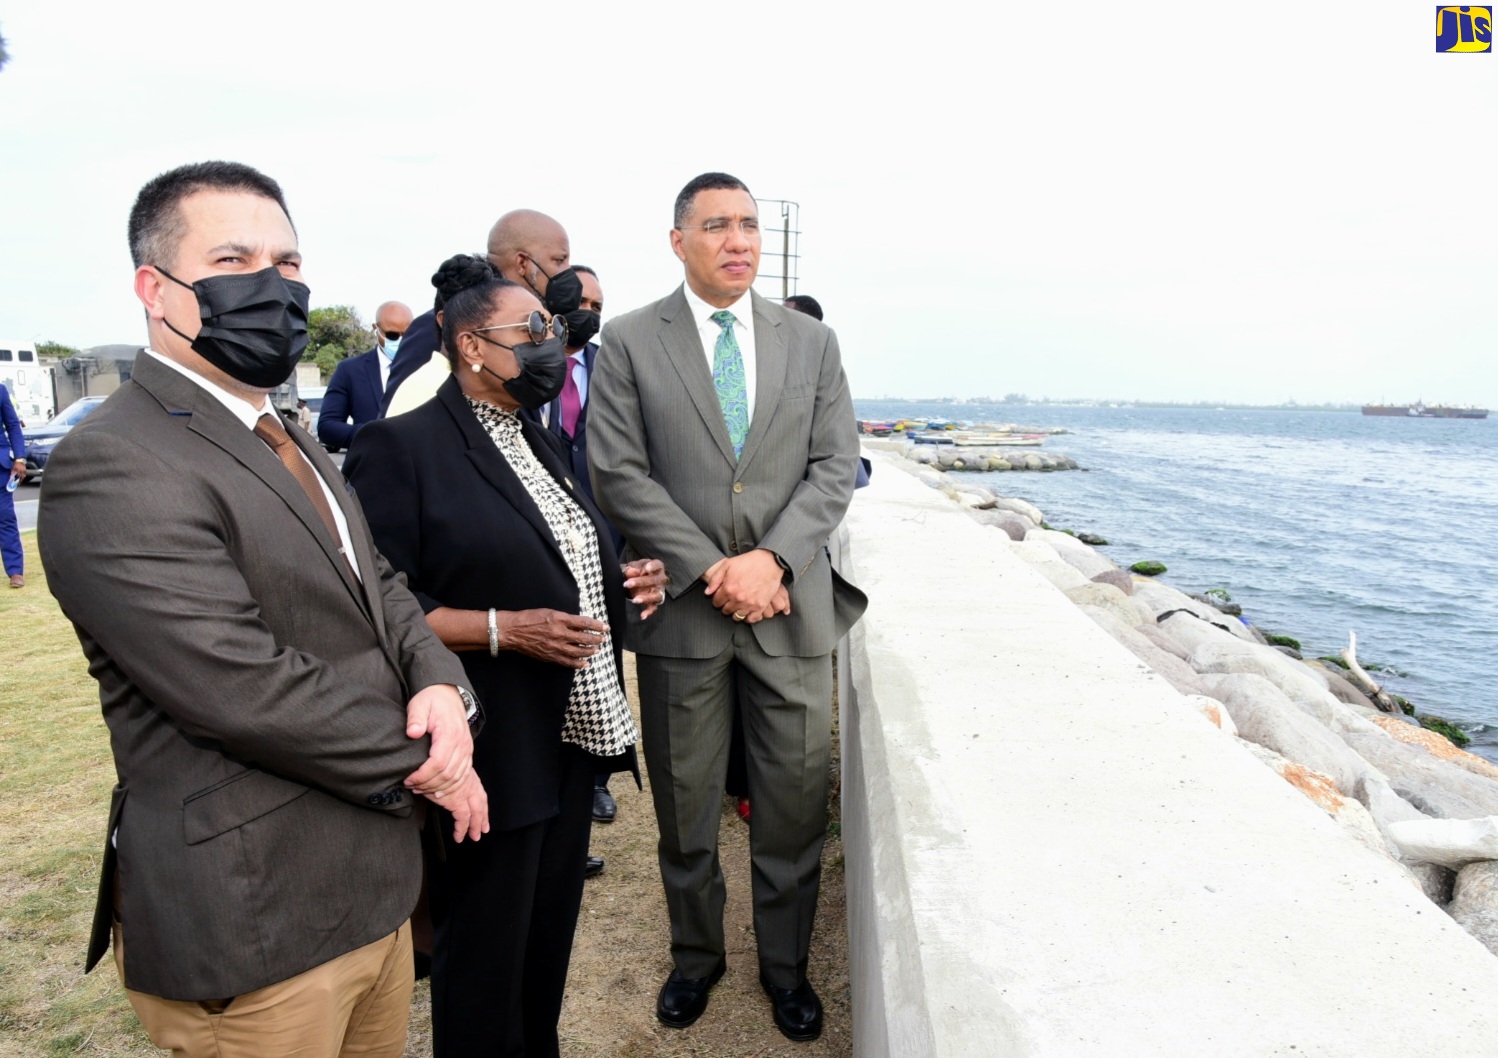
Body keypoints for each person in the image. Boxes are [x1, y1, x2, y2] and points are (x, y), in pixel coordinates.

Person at [36, 161, 488, 1058]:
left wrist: (441, 684)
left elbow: (381, 588)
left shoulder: (287, 434)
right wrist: (433, 761)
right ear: (154, 288)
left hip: (372, 898)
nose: (272, 286)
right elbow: (237, 685)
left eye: (287, 264)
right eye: (235, 259)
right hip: (258, 920)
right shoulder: (116, 461)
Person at [344, 256, 667, 1058]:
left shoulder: (540, 437)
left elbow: (563, 562)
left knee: (544, 945)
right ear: (470, 346)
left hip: (568, 739)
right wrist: (501, 628)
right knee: (483, 957)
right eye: (532, 331)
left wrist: (627, 582)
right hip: (487, 747)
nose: (550, 344)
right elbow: (378, 605)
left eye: (553, 330)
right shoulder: (399, 448)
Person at [587, 172, 866, 1043]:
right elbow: (619, 472)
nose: (738, 240)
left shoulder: (811, 342)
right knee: (686, 806)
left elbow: (834, 464)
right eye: (717, 226)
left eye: (748, 224)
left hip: (790, 610)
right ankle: (695, 957)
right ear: (679, 241)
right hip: (685, 617)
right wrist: (719, 569)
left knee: (789, 805)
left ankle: (786, 969)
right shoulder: (632, 342)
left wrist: (774, 558)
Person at [530, 264, 623, 837]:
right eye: (583, 301)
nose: (592, 312)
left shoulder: (610, 364)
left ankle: (596, 780)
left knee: (601, 653)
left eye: (600, 303)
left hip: (601, 531)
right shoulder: (527, 358)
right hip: (536, 531)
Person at [381, 210, 582, 415]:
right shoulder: (445, 325)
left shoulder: (542, 334)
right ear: (522, 263)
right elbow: (396, 426)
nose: (568, 272)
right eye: (559, 260)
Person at [317, 300, 412, 451]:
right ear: (376, 329)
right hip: (371, 467)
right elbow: (327, 426)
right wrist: (373, 435)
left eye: (407, 335)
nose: (400, 341)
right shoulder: (350, 370)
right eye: (393, 335)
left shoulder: (427, 368)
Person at [1, 381, 26, 587]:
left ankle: (15, 572)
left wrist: (20, 458)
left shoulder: (0, 390)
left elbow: (13, 425)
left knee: (6, 519)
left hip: (1, 468)